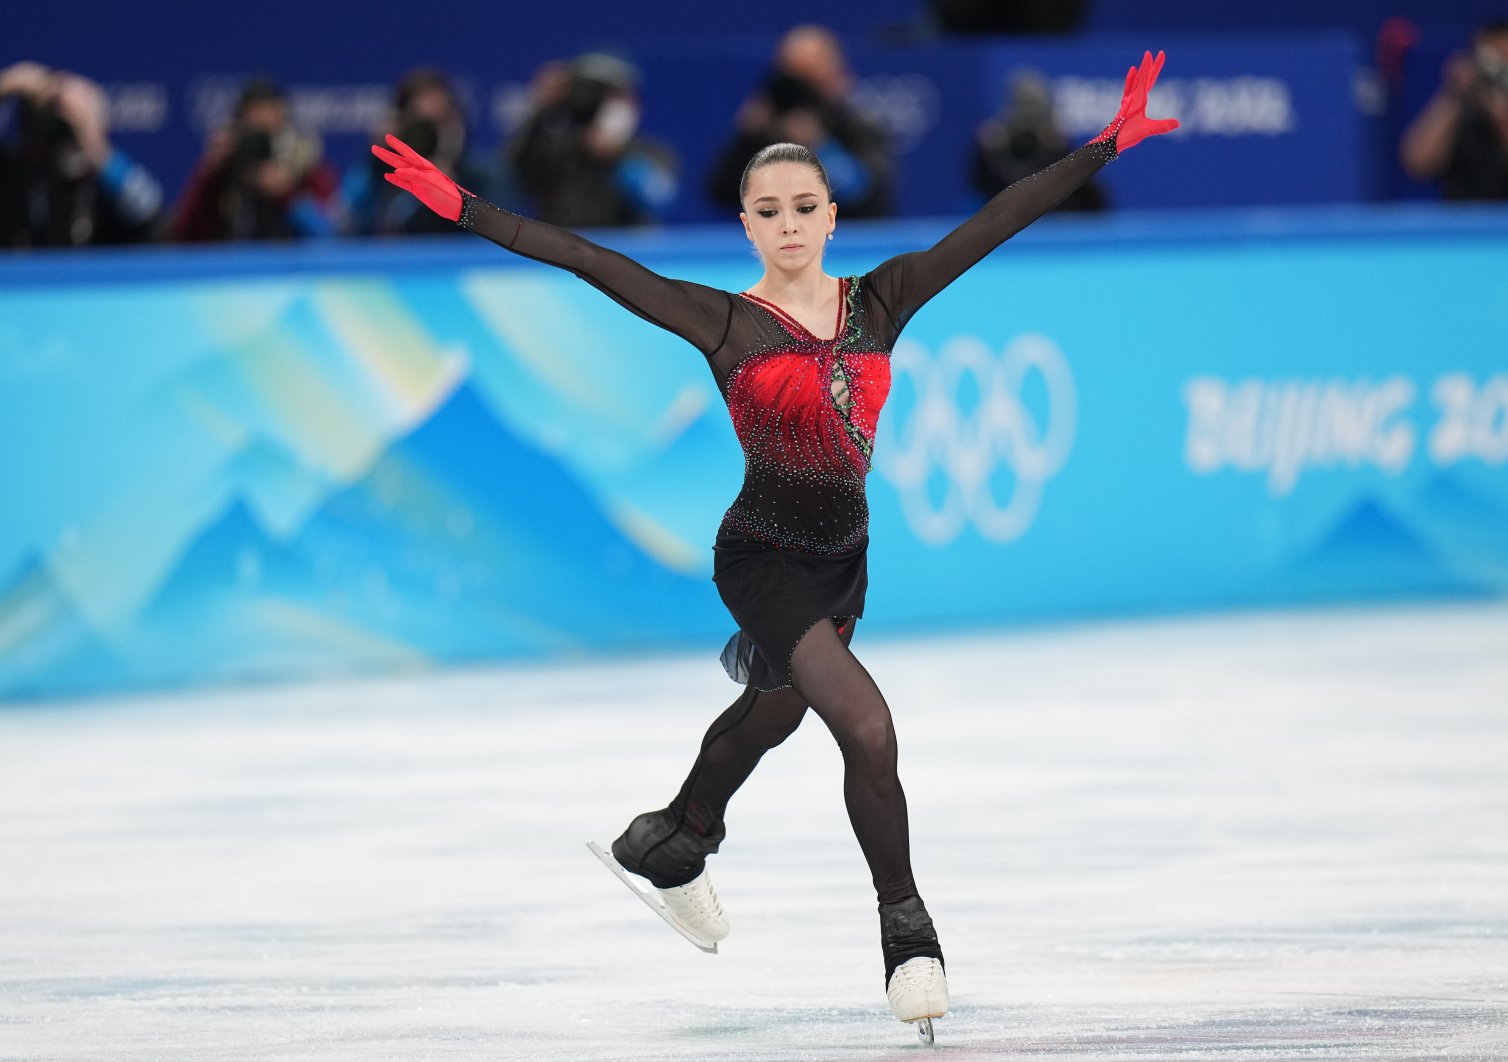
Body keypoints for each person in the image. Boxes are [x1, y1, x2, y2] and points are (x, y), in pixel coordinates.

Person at [373, 50, 1177, 1035]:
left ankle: (674, 841)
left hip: (845, 559)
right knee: (865, 724)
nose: (790, 224)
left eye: (806, 206)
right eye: (770, 210)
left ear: (830, 216)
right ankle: (907, 934)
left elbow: (1000, 217)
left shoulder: (883, 300)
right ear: (746, 222)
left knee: (776, 713)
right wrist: (465, 208)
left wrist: (1103, 146)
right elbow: (591, 259)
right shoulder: (724, 324)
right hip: (759, 553)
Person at [707, 25, 895, 218]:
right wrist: (748, 136)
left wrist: (819, 145)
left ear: (839, 77)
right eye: (795, 78)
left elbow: (867, 198)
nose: (804, 91)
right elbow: (721, 193)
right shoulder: (766, 130)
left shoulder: (859, 126)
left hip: (844, 241)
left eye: (812, 79)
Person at [1399, 20, 1508, 200]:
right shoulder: (1463, 110)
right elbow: (1417, 165)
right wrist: (1452, 96)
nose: (1498, 72)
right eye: (1491, 62)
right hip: (1466, 222)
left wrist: (1505, 125)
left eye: (1507, 61)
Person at [503, 52, 678, 228]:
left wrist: (617, 155)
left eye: (611, 96)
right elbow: (509, 180)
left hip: (625, 250)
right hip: (560, 248)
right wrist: (540, 112)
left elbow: (658, 197)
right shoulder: (553, 149)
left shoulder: (650, 152)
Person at [0, 61, 163, 248]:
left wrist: (91, 143)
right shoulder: (21, 171)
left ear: (105, 125)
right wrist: (4, 85)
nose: (66, 116)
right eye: (55, 109)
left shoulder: (106, 185)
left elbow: (148, 208)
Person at [169, 79, 338, 242]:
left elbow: (329, 235)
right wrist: (209, 174)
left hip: (292, 267)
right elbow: (185, 236)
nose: (261, 144)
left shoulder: (304, 164)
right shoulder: (226, 167)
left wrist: (287, 194)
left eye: (270, 132)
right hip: (233, 264)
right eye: (255, 133)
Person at [344, 68, 492, 237]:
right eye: (421, 126)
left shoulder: (481, 175)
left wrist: (460, 198)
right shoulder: (374, 172)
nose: (430, 136)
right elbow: (351, 226)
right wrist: (377, 161)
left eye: (440, 122)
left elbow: (491, 237)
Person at [972, 69, 1107, 212]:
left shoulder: (1057, 147)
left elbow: (1094, 202)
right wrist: (989, 153)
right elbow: (982, 187)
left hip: (1058, 220)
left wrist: (1060, 151)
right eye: (1023, 115)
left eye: (1035, 116)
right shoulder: (996, 148)